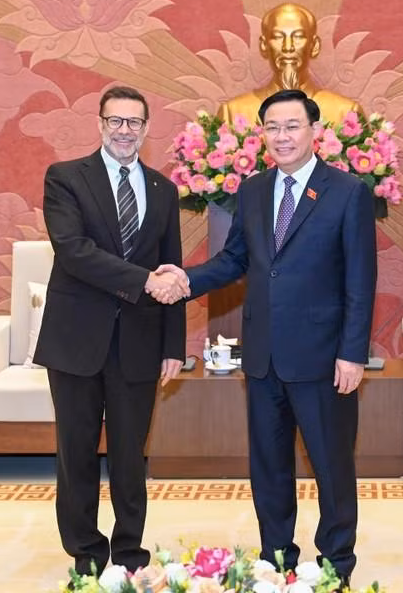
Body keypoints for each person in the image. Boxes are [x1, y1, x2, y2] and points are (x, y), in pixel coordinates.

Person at [157, 89, 377, 581]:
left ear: (314, 130)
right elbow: (236, 260)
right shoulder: (253, 191)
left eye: (292, 125)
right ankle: (277, 557)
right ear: (262, 135)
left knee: (331, 466)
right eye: (272, 127)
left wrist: (353, 353)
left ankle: (336, 562)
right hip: (262, 356)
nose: (282, 136)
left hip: (324, 357)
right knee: (269, 466)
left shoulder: (347, 192)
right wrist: (186, 281)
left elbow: (361, 281)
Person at [33, 85, 188, 580]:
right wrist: (143, 280)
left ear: (146, 128)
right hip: (76, 341)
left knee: (129, 455)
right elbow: (73, 251)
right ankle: (85, 549)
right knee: (76, 451)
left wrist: (173, 345)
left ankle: (128, 551)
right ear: (100, 123)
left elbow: (172, 268)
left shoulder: (164, 189)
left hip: (140, 343)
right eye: (116, 121)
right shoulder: (66, 178)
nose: (125, 130)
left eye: (134, 122)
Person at [218, 2, 360, 126]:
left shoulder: (346, 113)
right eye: (278, 37)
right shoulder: (232, 113)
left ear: (314, 46)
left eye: (298, 37)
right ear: (263, 46)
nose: (288, 47)